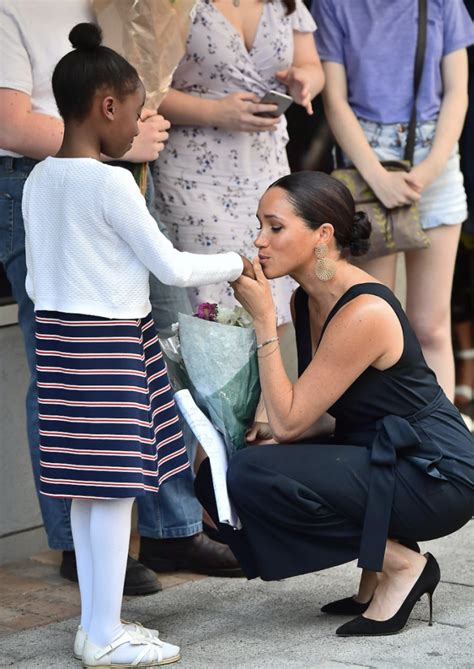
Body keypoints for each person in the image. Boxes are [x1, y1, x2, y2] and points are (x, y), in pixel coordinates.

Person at [22, 22, 254, 666]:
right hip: (110, 346)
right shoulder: (110, 182)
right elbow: (173, 268)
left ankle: (99, 626)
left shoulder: (41, 178)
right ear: (108, 106)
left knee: (91, 493)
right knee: (114, 491)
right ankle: (102, 634)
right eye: (137, 111)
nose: (140, 127)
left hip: (61, 340)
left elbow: (38, 279)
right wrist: (237, 261)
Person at [195, 171, 474, 638]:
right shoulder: (309, 299)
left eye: (275, 227)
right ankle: (379, 569)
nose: (259, 240)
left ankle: (403, 564)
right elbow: (327, 410)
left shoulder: (363, 310)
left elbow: (287, 423)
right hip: (383, 457)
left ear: (322, 235)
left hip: (436, 473)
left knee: (249, 474)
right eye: (259, 226)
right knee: (217, 475)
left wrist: (265, 318)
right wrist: (273, 428)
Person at [311, 0, 474, 401]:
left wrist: (429, 169)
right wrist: (378, 178)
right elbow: (335, 101)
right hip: (367, 160)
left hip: (433, 157)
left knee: (430, 323)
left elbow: (457, 92)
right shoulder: (334, 5)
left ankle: (441, 442)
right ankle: (377, 436)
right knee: (369, 321)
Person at [154, 0, 324, 325]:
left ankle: (262, 378)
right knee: (210, 308)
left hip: (267, 169)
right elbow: (143, 87)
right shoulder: (173, 4)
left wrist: (304, 82)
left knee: (270, 294)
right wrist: (213, 112)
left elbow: (313, 65)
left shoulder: (285, 3)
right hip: (193, 174)